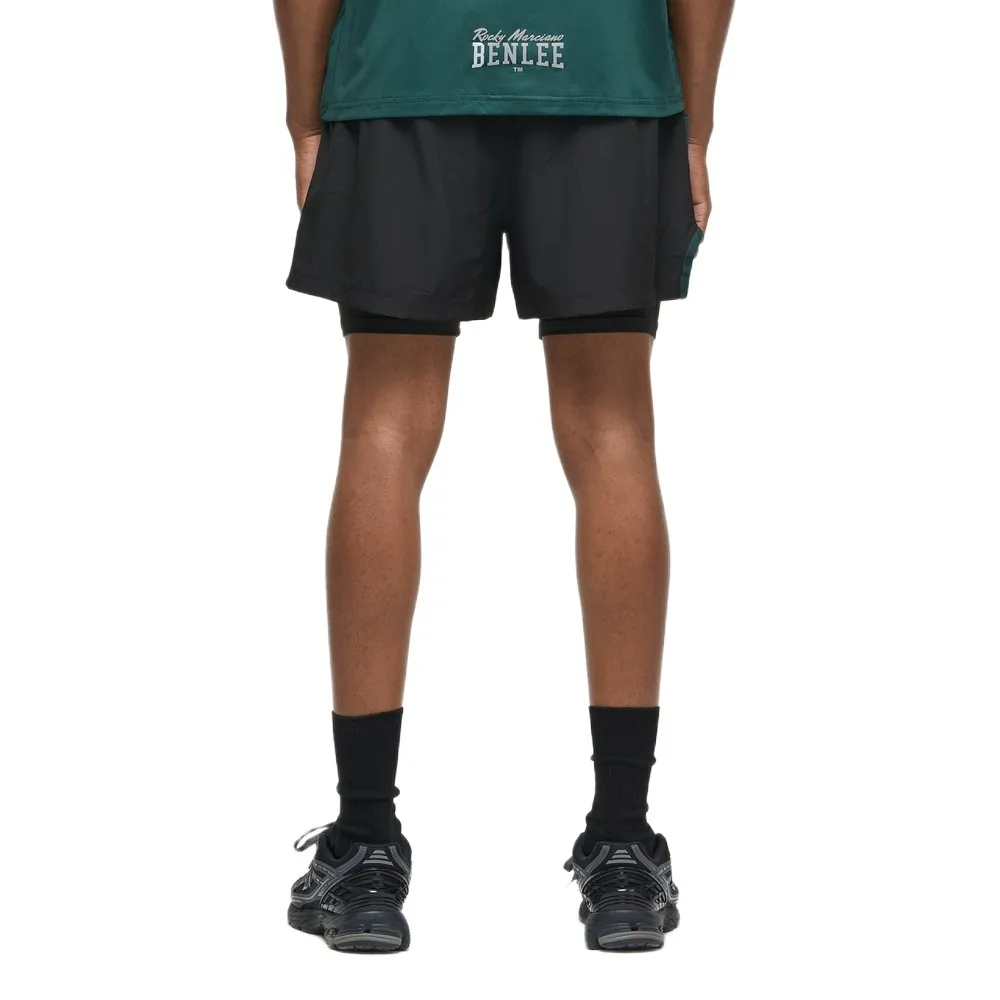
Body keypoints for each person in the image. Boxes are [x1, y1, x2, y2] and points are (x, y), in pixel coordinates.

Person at [274, 0, 734, 952]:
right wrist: (692, 123)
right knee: (613, 427)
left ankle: (365, 844)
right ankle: (623, 846)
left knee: (385, 425)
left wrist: (306, 116)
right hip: (604, 67)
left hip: (407, 66)